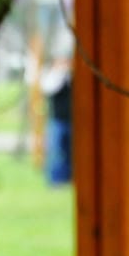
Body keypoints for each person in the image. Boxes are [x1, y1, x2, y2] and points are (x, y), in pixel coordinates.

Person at [41, 55, 73, 185]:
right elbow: (49, 88)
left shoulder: (71, 79)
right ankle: (56, 180)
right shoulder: (54, 78)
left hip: (72, 121)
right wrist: (59, 71)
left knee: (70, 152)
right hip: (58, 120)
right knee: (56, 152)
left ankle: (68, 178)